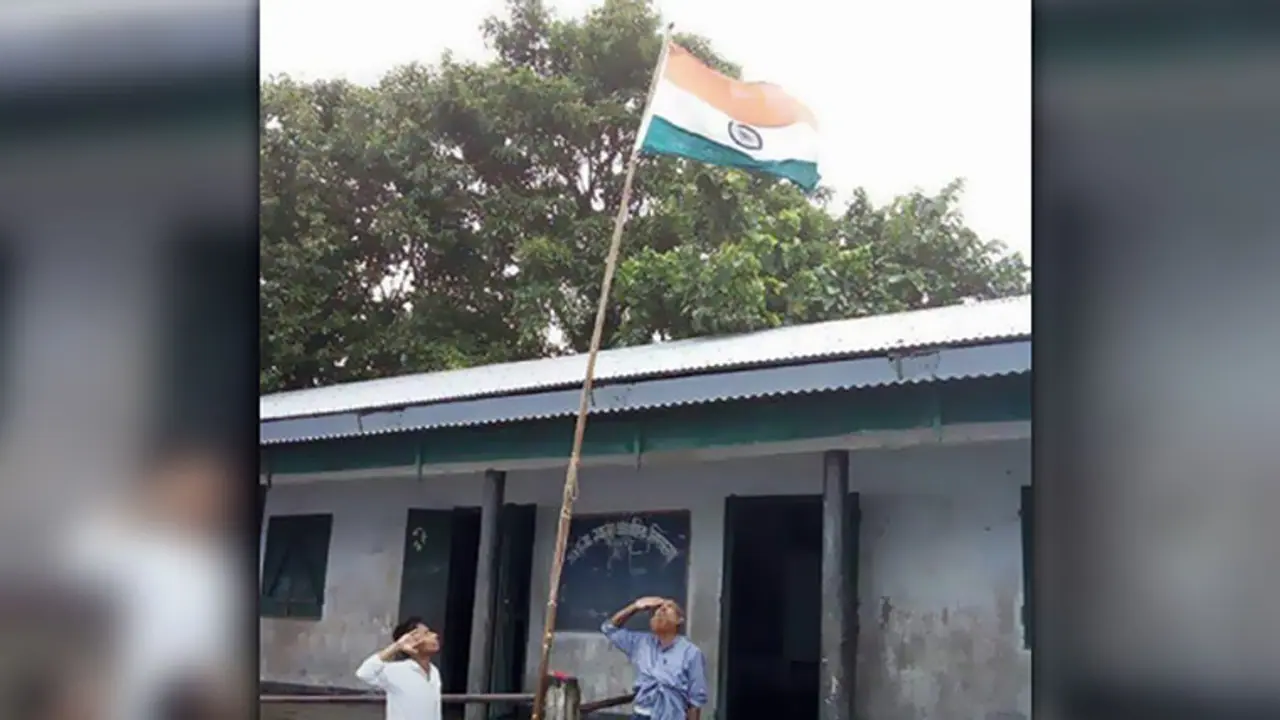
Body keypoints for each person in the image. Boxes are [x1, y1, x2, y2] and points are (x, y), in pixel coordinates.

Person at [602, 596, 708, 720]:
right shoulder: (639, 643)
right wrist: (635, 607)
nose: (661, 610)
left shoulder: (691, 653)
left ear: (679, 620)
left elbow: (696, 700)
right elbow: (609, 629)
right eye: (656, 610)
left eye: (669, 607)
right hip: (641, 715)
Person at [355, 616, 443, 720]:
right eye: (426, 634)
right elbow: (364, 673)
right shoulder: (396, 670)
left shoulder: (434, 672)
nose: (435, 636)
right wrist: (397, 646)